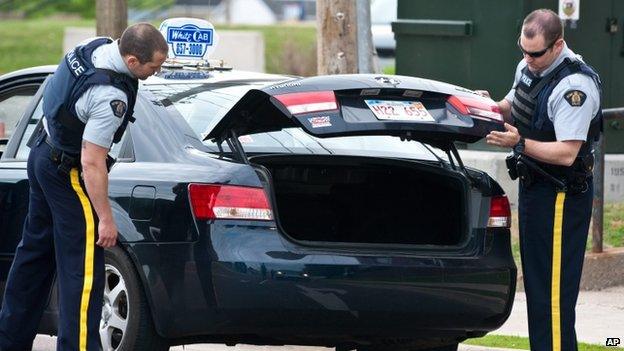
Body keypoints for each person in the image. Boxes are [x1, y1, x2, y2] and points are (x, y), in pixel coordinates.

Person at [0, 23, 168, 350]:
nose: (156, 72)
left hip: (41, 155)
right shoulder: (110, 96)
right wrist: (105, 218)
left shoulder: (94, 47)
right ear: (132, 61)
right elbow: (92, 162)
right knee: (83, 273)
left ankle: (9, 341)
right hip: (69, 173)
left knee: (34, 256)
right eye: (153, 67)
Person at [483, 9, 601, 351]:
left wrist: (518, 142)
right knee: (536, 287)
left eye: (535, 53)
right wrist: (486, 106)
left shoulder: (573, 86)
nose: (527, 58)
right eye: (522, 49)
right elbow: (514, 103)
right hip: (535, 186)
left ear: (558, 44)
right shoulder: (529, 66)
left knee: (552, 294)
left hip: (561, 195)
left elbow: (567, 152)